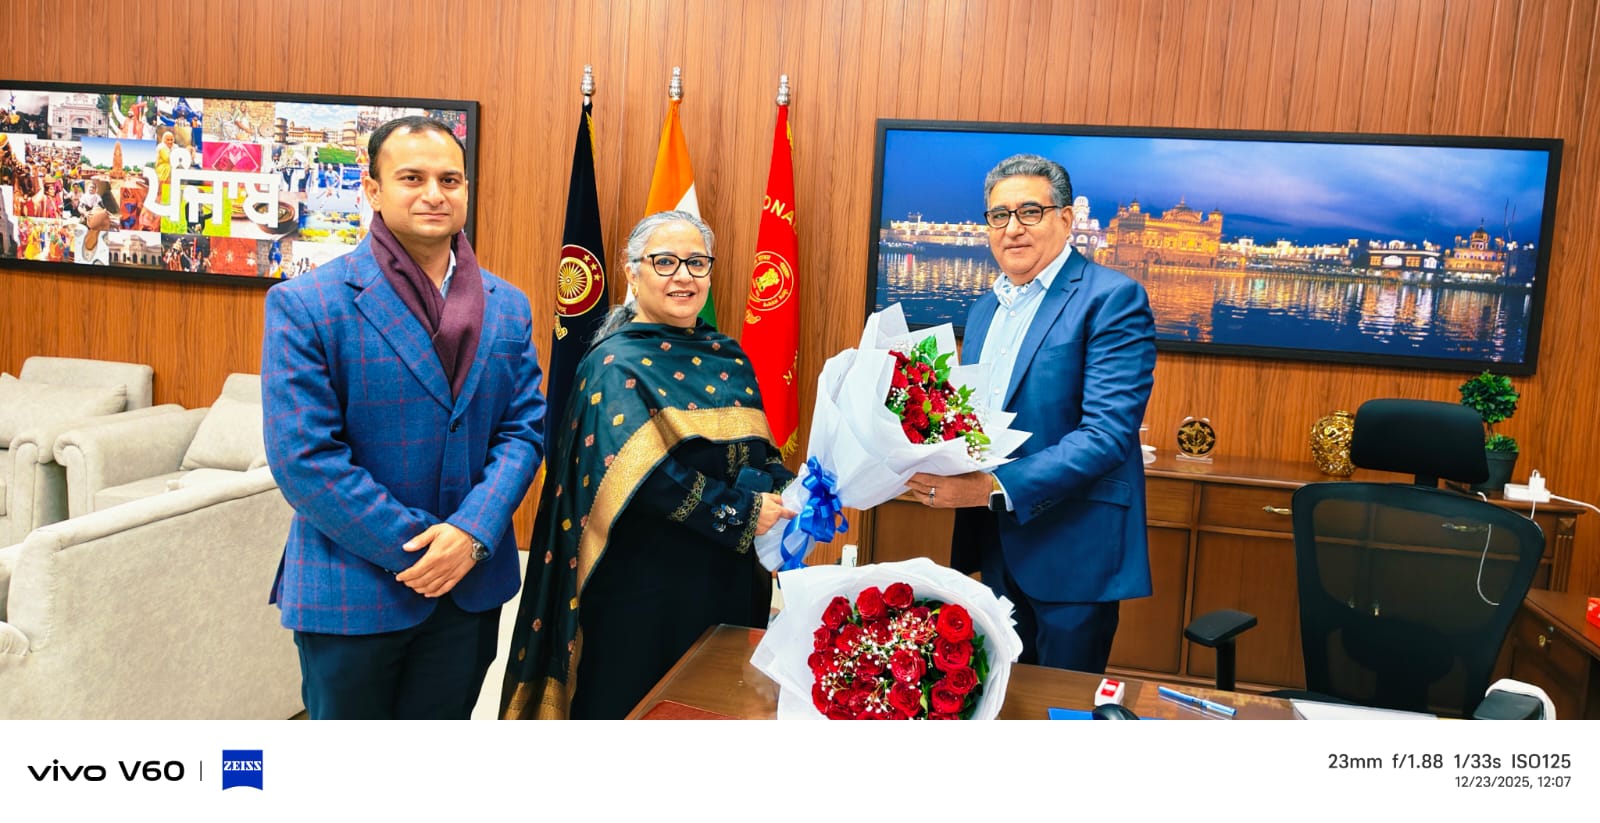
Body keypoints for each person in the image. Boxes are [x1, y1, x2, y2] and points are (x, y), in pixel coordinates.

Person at [261, 115, 546, 719]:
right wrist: (420, 550)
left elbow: (523, 430)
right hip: (354, 587)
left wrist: (471, 533)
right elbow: (304, 459)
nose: (434, 194)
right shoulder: (307, 303)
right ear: (373, 190)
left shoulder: (508, 306)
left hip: (469, 585)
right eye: (412, 178)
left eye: (450, 180)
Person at [501, 210, 797, 720]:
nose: (684, 276)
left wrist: (792, 488)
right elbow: (646, 481)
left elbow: (756, 451)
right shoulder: (613, 364)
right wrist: (745, 511)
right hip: (645, 588)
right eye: (665, 262)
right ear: (632, 273)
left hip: (729, 578)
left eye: (697, 263)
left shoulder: (728, 355)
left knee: (718, 708)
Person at [906, 154, 1156, 675]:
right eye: (999, 215)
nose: (1013, 228)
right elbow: (974, 421)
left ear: (1065, 219)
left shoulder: (1113, 298)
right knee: (999, 696)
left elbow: (1107, 435)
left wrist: (989, 487)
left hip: (1073, 550)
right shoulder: (985, 309)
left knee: (1061, 709)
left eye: (1030, 212)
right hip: (995, 545)